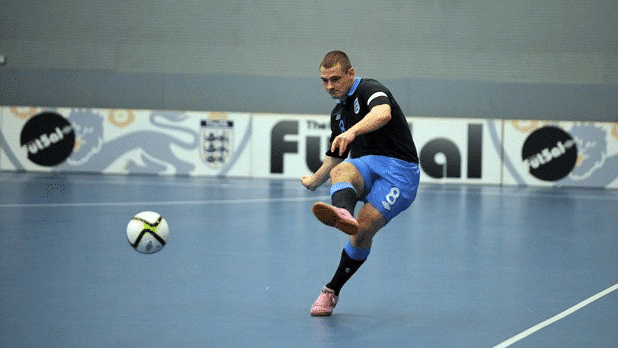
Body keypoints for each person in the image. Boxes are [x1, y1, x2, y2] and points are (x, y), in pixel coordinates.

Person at [301, 51, 420, 316]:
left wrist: (352, 131)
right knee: (342, 170)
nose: (330, 86)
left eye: (335, 79)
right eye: (324, 80)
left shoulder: (370, 89)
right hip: (367, 164)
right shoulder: (338, 114)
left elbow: (383, 113)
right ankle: (343, 211)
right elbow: (335, 155)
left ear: (350, 73)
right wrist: (314, 181)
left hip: (400, 173)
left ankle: (332, 290)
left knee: (361, 232)